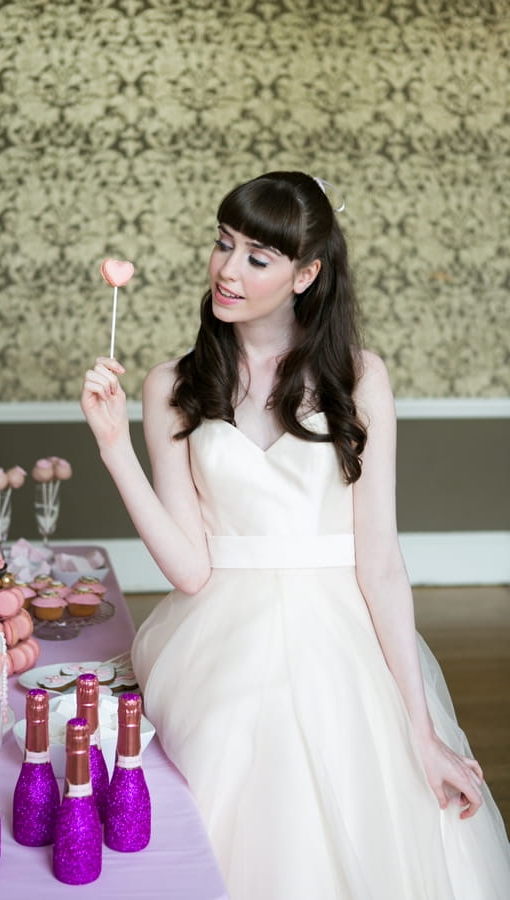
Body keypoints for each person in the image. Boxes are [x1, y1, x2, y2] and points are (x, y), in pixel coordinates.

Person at [81, 171, 510, 899]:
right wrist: (113, 449)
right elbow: (189, 569)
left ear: (306, 273)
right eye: (224, 244)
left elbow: (379, 561)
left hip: (338, 635)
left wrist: (421, 728)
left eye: (258, 255)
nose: (228, 268)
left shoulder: (358, 376)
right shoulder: (171, 385)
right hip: (219, 636)